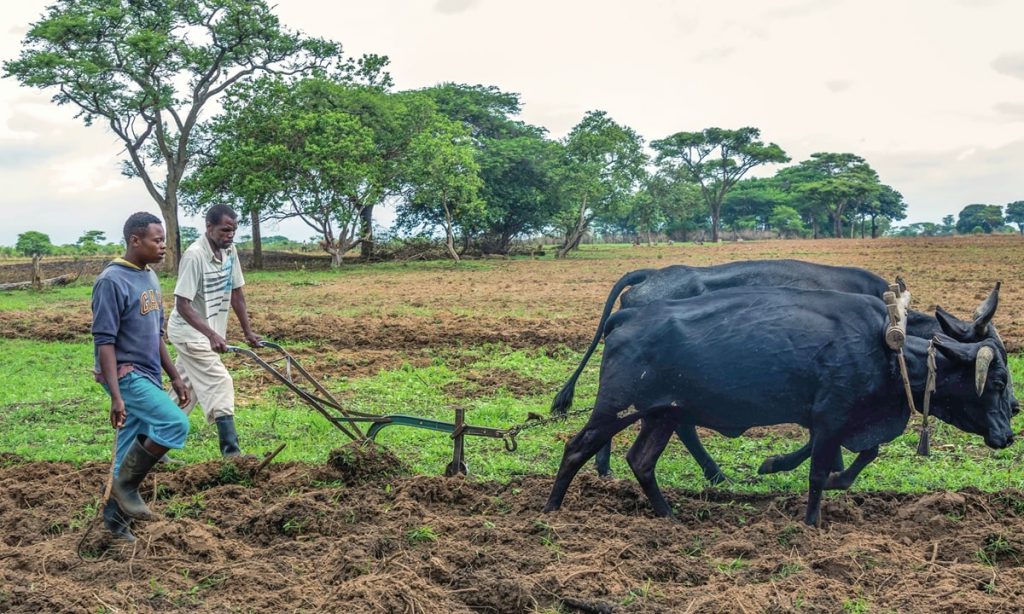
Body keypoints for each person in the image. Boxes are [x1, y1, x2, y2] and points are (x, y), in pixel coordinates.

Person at [92, 212, 191, 542]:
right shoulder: (111, 281)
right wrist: (117, 396)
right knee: (174, 423)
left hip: (148, 373)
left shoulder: (149, 276)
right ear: (135, 240)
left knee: (128, 450)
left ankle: (114, 529)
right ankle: (127, 486)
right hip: (126, 375)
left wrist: (175, 375)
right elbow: (104, 341)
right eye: (157, 240)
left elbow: (156, 335)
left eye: (164, 240)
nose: (163, 246)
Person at [167, 204, 262, 459]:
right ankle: (231, 452)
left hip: (206, 333)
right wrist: (211, 334)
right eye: (224, 230)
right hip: (188, 333)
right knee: (220, 381)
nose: (229, 235)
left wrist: (248, 332)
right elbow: (182, 304)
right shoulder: (194, 255)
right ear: (209, 227)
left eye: (233, 230)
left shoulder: (230, 251)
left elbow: (236, 293)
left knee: (187, 388)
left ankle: (150, 443)